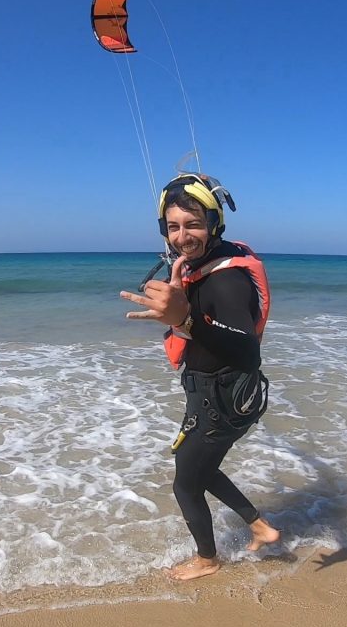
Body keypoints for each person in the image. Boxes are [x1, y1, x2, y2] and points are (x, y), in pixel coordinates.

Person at [120, 173, 280, 580]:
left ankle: (207, 559)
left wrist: (185, 319)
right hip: (221, 396)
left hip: (222, 400)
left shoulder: (226, 279)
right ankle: (260, 526)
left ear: (214, 224)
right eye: (173, 227)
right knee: (196, 467)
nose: (182, 236)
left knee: (186, 484)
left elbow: (246, 349)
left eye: (193, 225)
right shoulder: (204, 262)